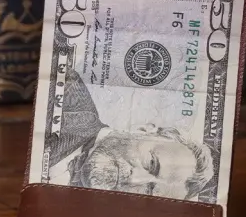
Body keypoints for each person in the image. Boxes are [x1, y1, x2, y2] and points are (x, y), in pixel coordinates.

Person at [48, 68, 215, 201]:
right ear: (143, 131)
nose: (134, 180)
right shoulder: (63, 88)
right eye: (151, 163)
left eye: (149, 191)